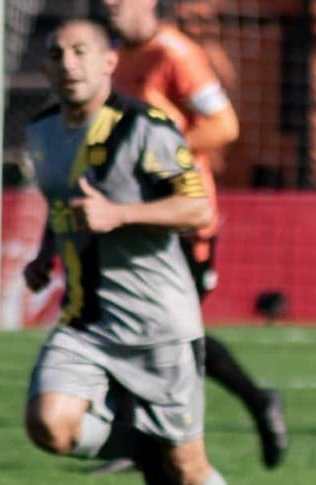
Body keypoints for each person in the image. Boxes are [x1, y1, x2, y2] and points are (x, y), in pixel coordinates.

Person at [22, 18, 227, 484]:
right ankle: (143, 447)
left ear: (109, 62)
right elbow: (62, 200)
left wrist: (120, 214)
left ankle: (157, 451)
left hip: (157, 326)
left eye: (81, 52)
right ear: (46, 68)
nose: (69, 64)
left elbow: (198, 208)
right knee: (48, 424)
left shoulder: (147, 126)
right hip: (85, 321)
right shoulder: (41, 130)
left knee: (187, 468)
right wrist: (45, 252)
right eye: (57, 55)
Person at [101, 0, 288, 470]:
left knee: (174, 332)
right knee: (137, 323)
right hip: (137, 213)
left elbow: (224, 125)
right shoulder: (115, 55)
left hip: (182, 217)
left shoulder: (176, 55)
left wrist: (160, 153)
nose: (108, 3)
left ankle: (255, 400)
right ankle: (139, 437)